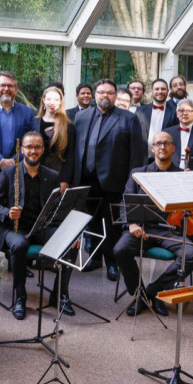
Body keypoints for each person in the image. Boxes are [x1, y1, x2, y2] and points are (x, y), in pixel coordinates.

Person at [115, 131, 193, 317]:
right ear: (152, 148)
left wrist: (190, 184)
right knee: (120, 250)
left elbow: (192, 207)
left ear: (173, 148)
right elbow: (125, 203)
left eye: (166, 143)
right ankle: (138, 294)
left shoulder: (182, 175)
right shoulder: (138, 173)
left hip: (169, 231)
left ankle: (153, 292)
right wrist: (131, 225)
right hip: (141, 228)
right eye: (158, 143)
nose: (162, 146)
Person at [0, 132, 72, 320]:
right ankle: (20, 296)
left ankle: (59, 294)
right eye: (29, 147)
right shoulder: (8, 172)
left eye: (37, 147)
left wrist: (65, 230)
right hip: (14, 228)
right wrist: (7, 212)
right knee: (19, 245)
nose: (33, 151)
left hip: (41, 227)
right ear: (22, 150)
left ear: (42, 150)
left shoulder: (52, 175)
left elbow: (56, 209)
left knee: (69, 242)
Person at [73, 79, 146, 280]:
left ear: (115, 95)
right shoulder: (81, 116)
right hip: (86, 180)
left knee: (112, 225)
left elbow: (137, 155)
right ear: (95, 95)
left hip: (114, 181)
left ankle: (112, 262)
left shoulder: (128, 119)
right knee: (92, 223)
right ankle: (95, 258)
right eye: (101, 92)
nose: (105, 96)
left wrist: (132, 183)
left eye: (110, 92)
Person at [32, 86, 75, 187]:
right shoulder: (34, 122)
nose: (52, 102)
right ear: (43, 100)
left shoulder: (68, 126)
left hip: (58, 176)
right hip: (35, 175)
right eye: (49, 99)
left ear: (60, 102)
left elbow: (70, 156)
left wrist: (65, 180)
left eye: (56, 99)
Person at [134, 78, 176, 149]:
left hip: (165, 152)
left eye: (163, 89)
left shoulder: (175, 111)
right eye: (157, 89)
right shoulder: (140, 110)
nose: (160, 91)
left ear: (168, 91)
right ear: (151, 91)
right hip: (143, 153)